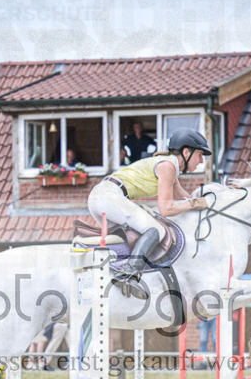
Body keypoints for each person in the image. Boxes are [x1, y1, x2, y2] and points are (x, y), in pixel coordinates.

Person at [88, 128, 211, 298]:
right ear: (186, 152)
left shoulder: (169, 167)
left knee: (133, 238)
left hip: (102, 197)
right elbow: (166, 209)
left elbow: (185, 198)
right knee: (156, 230)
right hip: (108, 196)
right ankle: (129, 275)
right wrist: (193, 204)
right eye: (199, 155)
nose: (201, 161)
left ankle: (118, 278)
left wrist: (209, 203)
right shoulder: (167, 167)